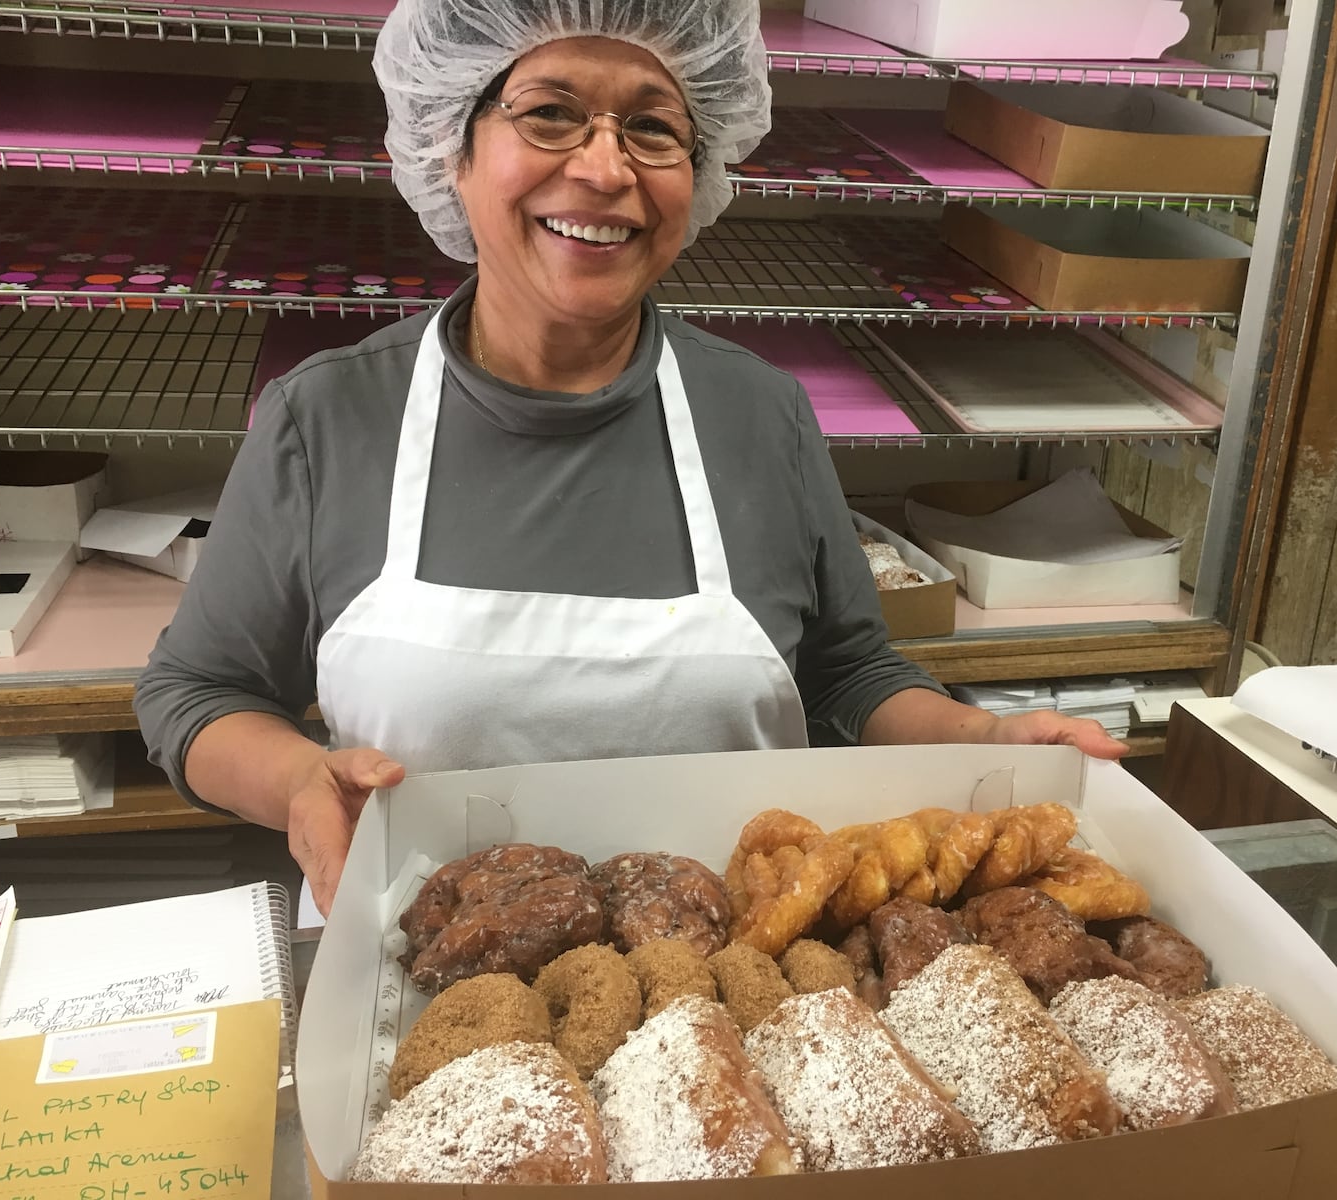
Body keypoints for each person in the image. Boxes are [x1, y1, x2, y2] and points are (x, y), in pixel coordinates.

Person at [134, 0, 1125, 918]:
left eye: (652, 127)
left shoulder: (757, 412)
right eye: (550, 114)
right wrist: (300, 780)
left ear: (699, 173)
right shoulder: (332, 416)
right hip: (414, 968)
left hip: (738, 976)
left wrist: (983, 739)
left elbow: (846, 673)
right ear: (452, 150)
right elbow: (197, 695)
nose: (605, 171)